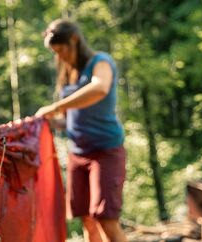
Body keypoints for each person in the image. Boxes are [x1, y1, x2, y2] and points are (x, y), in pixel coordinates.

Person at [36, 19, 127, 242]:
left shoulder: (100, 62)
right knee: (86, 217)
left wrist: (56, 106)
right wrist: (44, 123)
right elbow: (69, 121)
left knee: (105, 218)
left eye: (61, 50)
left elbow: (100, 88)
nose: (59, 57)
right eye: (54, 52)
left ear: (74, 40)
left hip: (106, 151)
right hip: (77, 154)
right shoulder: (68, 73)